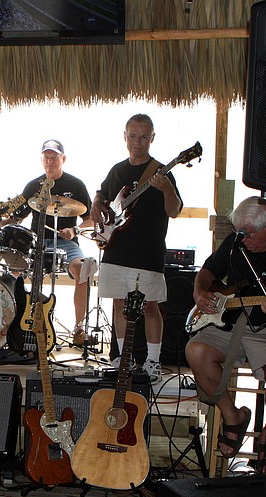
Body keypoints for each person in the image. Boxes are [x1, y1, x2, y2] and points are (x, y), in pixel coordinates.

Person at [185, 197, 266, 474]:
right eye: (240, 233)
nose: (243, 240)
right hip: (230, 325)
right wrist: (200, 292)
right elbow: (208, 271)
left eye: (249, 234)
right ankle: (233, 417)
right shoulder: (236, 243)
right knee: (195, 350)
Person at [91, 114, 183, 383]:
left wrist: (166, 188)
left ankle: (153, 361)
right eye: (133, 136)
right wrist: (97, 203)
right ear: (125, 136)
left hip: (148, 251)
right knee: (119, 303)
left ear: (152, 138)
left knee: (150, 306)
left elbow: (174, 210)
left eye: (143, 137)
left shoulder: (162, 171)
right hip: (117, 248)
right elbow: (102, 192)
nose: (137, 142)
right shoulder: (117, 169)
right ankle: (123, 357)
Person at [6, 139, 94, 347]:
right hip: (37, 241)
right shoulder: (33, 185)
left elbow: (90, 219)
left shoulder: (76, 185)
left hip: (66, 243)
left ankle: (78, 328)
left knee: (83, 269)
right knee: (11, 271)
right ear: (41, 160)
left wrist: (74, 230)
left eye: (54, 157)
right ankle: (8, 325)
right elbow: (17, 216)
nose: (50, 161)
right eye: (46, 157)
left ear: (63, 159)